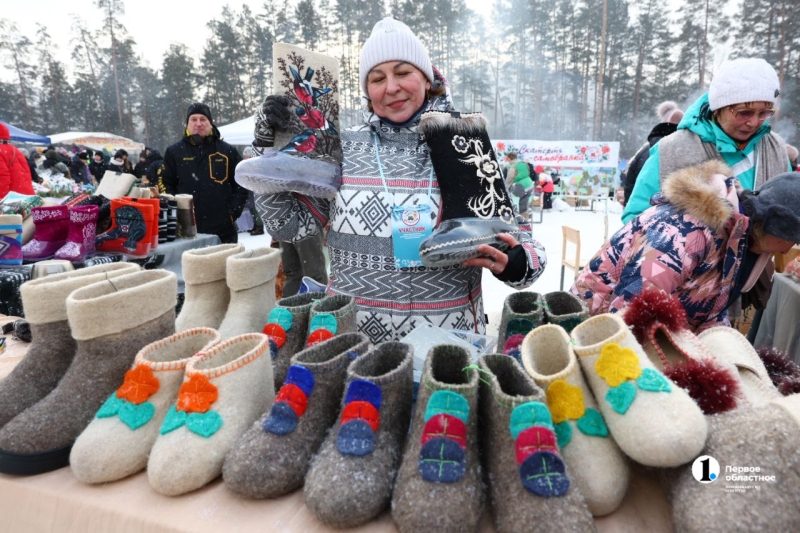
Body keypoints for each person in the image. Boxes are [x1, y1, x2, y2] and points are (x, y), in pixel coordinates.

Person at [253, 17, 546, 343]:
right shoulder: (342, 149)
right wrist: (268, 148)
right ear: (367, 90)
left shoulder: (465, 142)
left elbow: (524, 243)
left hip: (447, 350)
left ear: (426, 77)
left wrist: (518, 264)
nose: (391, 87)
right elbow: (290, 226)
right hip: (353, 347)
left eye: (403, 72)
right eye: (377, 78)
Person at [573, 162, 800, 331]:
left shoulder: (736, 238)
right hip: (595, 333)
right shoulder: (685, 233)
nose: (786, 249)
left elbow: (710, 308)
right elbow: (632, 314)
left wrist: (722, 346)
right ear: (775, 226)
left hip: (651, 334)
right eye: (793, 239)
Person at [623, 58, 791, 223]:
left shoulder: (775, 148)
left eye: (764, 113)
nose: (753, 122)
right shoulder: (672, 149)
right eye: (744, 113)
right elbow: (636, 218)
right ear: (719, 108)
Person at [158, 102, 248, 244]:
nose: (198, 124)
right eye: (193, 119)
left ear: (210, 123)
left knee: (224, 265)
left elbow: (242, 183)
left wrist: (232, 213)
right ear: (187, 124)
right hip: (187, 230)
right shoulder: (174, 152)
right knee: (194, 266)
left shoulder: (227, 151)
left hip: (223, 229)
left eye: (203, 119)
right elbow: (165, 183)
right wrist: (178, 212)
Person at [622, 101, 684, 206]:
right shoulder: (682, 150)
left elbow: (629, 182)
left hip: (640, 214)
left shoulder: (643, 151)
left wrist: (630, 211)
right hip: (669, 214)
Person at [0, 123, 35, 197]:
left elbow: (2, 178)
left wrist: (1, 199)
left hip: (11, 200)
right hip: (26, 196)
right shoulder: (16, 150)